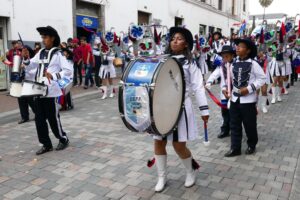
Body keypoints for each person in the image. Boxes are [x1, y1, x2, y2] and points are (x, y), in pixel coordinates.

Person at [152, 27, 209, 192]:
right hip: (161, 107)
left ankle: (190, 171)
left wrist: (204, 111)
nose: (174, 41)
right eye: (173, 38)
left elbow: (198, 87)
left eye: (179, 38)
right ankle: (162, 177)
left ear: (186, 45)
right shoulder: (161, 60)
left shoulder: (190, 63)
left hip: (180, 108)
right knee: (158, 142)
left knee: (179, 146)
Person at [22, 26, 72, 155]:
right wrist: (26, 58)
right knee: (39, 119)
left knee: (53, 118)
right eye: (42, 37)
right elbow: (31, 64)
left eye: (45, 37)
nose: (43, 40)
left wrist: (54, 76)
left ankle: (63, 139)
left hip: (52, 91)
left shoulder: (58, 54)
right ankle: (46, 144)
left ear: (52, 38)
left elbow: (68, 71)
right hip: (38, 90)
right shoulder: (41, 52)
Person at [223, 38, 266, 157]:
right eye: (237, 46)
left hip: (248, 101)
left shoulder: (254, 64)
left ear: (247, 51)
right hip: (234, 99)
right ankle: (235, 148)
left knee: (249, 125)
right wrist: (226, 90)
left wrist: (249, 88)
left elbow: (262, 78)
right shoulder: (233, 64)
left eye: (241, 46)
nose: (237, 48)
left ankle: (252, 145)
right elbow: (229, 80)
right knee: (234, 124)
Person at [206, 45, 236, 138]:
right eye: (223, 57)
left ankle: (234, 129)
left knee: (234, 112)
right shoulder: (221, 66)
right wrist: (209, 82)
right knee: (224, 112)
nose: (225, 58)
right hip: (224, 93)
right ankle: (225, 130)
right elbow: (215, 74)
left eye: (227, 56)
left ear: (232, 56)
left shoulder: (236, 65)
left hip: (235, 93)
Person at [17, 45, 35, 124]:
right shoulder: (21, 60)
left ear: (29, 53)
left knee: (31, 100)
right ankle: (24, 117)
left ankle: (38, 114)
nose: (22, 53)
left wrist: (25, 68)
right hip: (22, 82)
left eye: (24, 51)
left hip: (30, 82)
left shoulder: (33, 61)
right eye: (21, 51)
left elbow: (34, 72)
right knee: (21, 100)